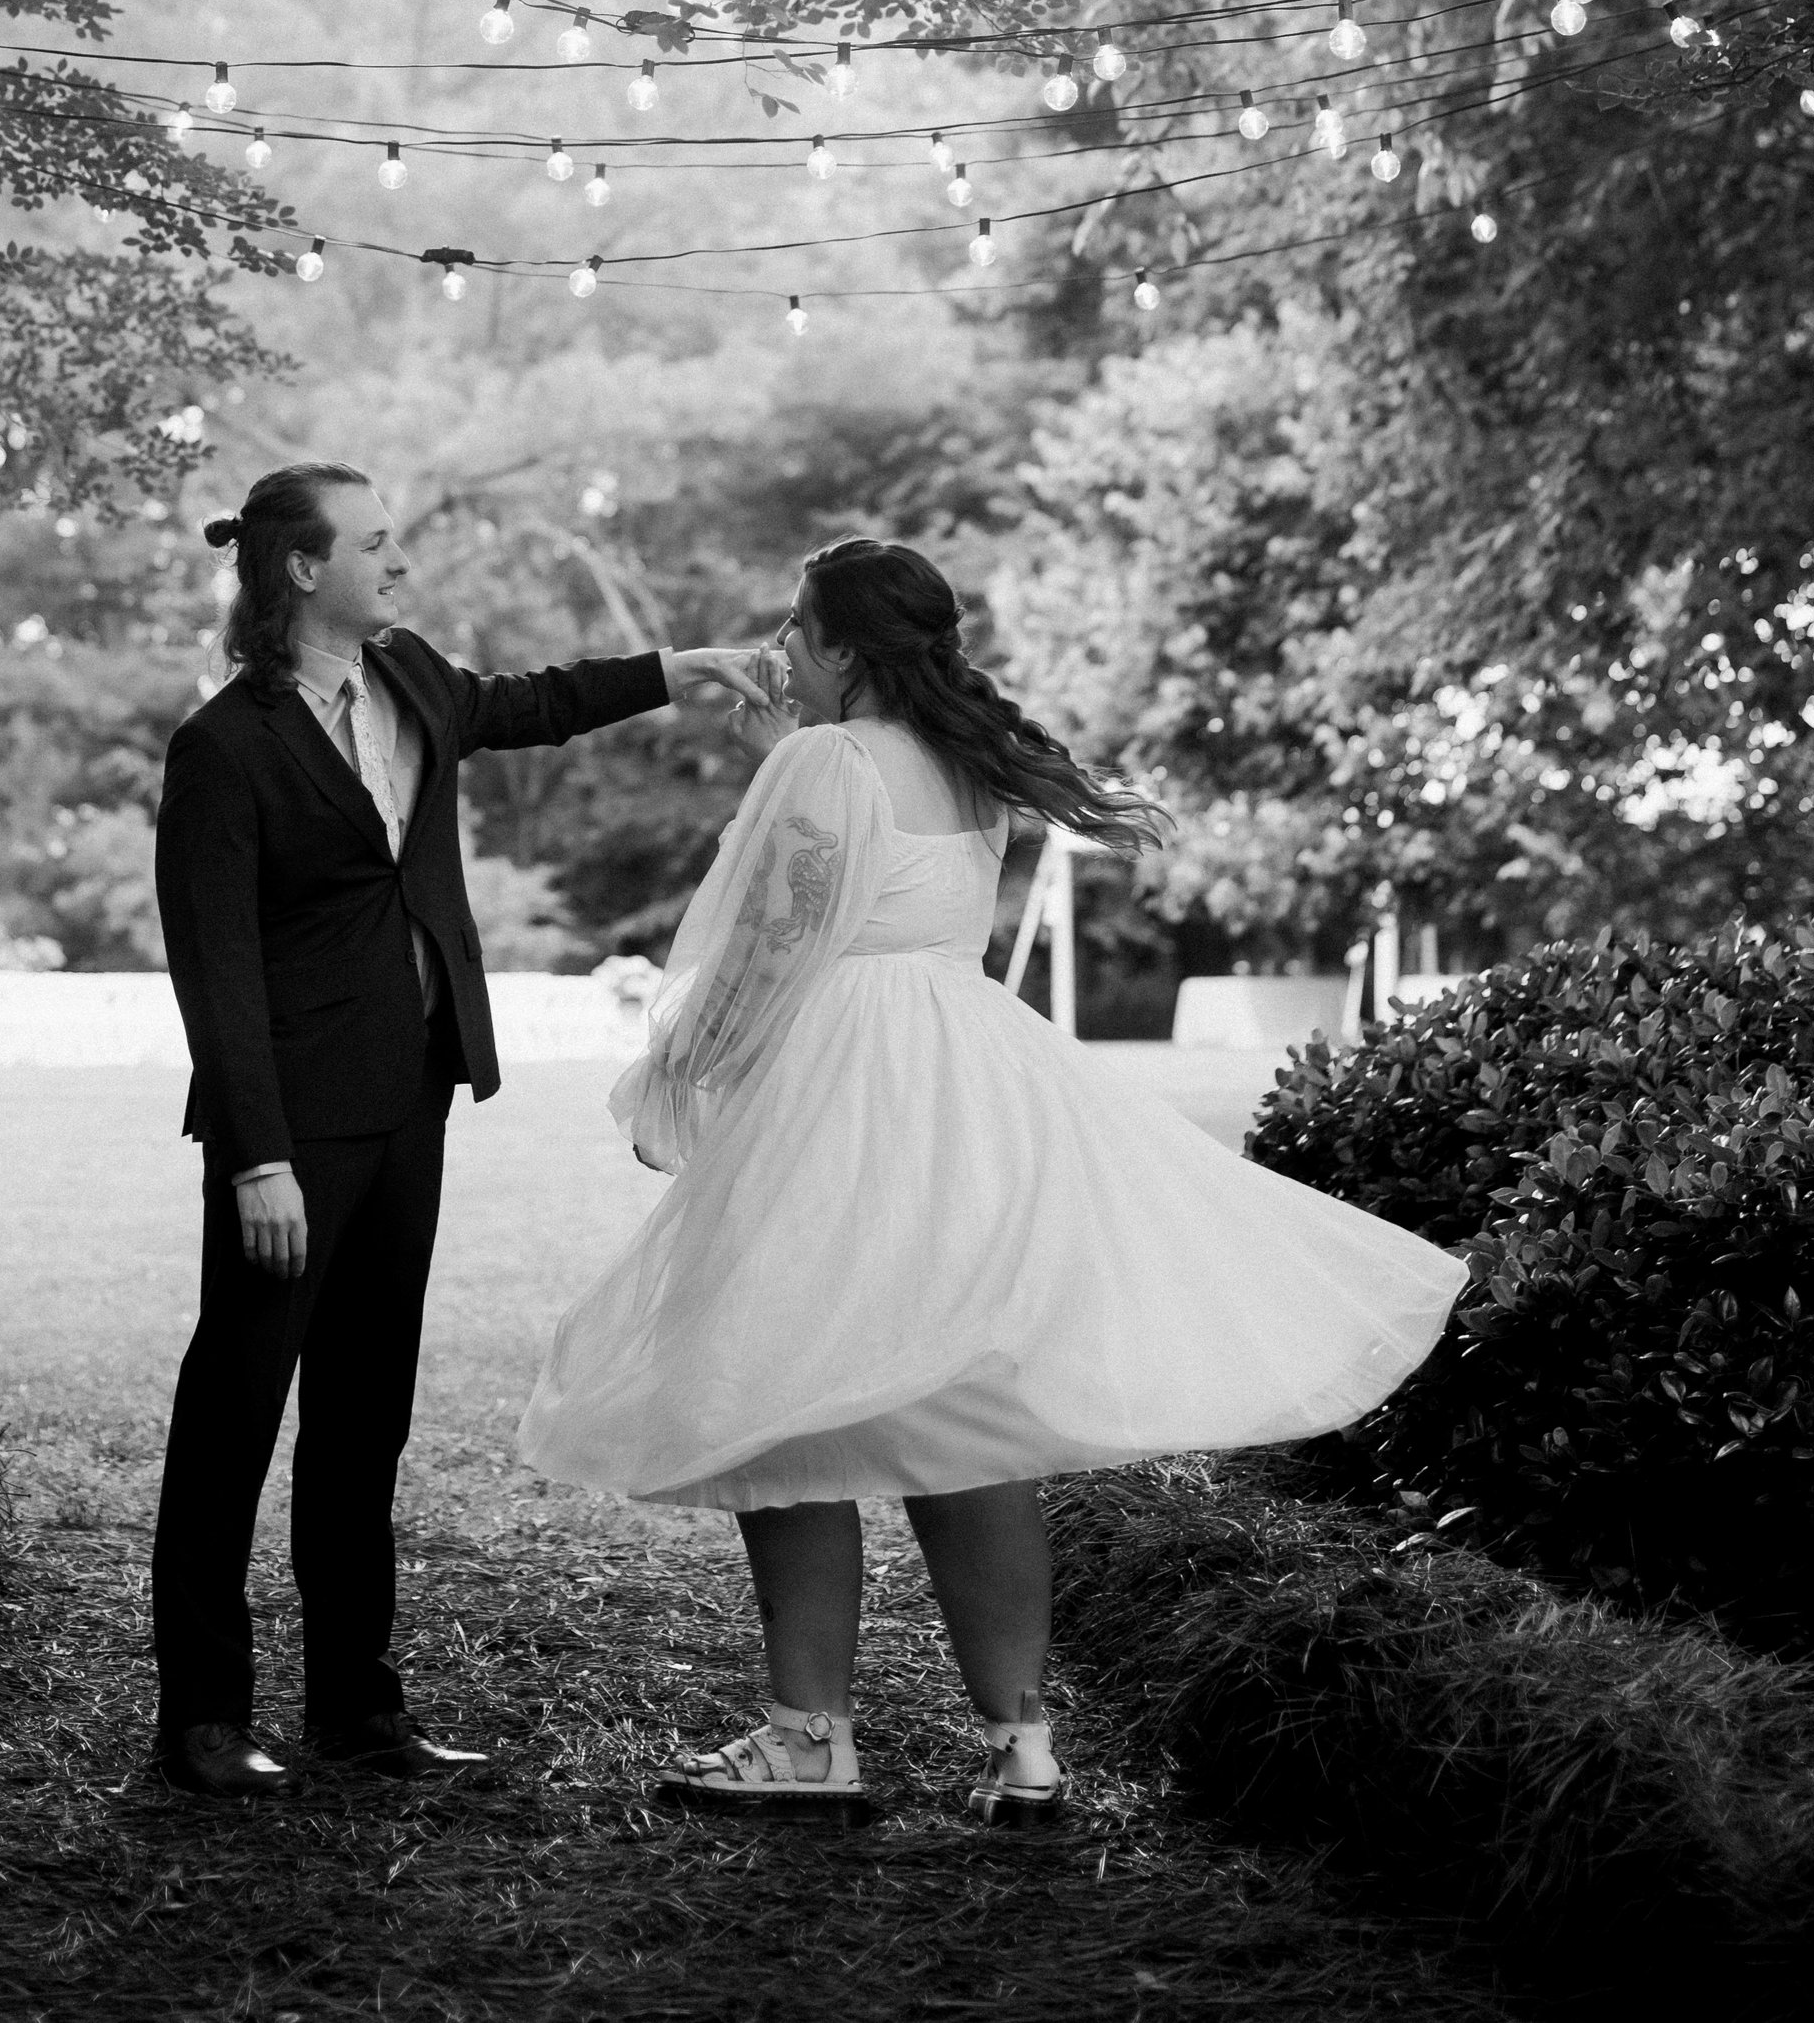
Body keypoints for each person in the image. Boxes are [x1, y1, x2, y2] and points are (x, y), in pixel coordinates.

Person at [518, 537, 1468, 1830]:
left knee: (779, 1397)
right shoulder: (965, 765)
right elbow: (877, 889)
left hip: (837, 1099)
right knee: (967, 1424)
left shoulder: (826, 760)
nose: (780, 649)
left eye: (798, 629)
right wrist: (785, 761)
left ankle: (810, 1738)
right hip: (958, 1092)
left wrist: (674, 1079)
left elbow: (775, 947)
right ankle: (1025, 1747)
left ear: (844, 649)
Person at [151, 459, 764, 1801]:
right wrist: (256, 1154)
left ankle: (357, 1709)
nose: (400, 562)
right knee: (233, 1417)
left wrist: (683, 662)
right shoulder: (223, 747)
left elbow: (530, 704)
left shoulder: (411, 675)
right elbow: (218, 967)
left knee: (365, 1418)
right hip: (289, 1135)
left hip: (412, 1100)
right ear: (305, 568)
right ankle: (201, 1718)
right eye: (377, 543)